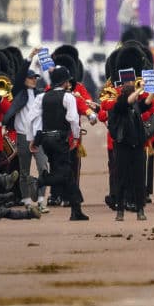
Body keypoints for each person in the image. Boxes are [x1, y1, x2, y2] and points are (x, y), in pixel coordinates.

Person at [30, 66, 88, 221]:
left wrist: (34, 140)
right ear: (64, 82)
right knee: (64, 173)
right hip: (60, 139)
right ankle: (41, 181)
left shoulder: (41, 97)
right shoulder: (68, 97)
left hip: (45, 140)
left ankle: (76, 210)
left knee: (68, 174)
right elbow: (73, 119)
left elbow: (34, 120)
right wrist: (75, 137)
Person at [107, 49, 154, 221]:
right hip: (123, 146)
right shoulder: (118, 105)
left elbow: (146, 104)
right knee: (122, 180)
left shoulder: (135, 106)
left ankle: (140, 209)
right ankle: (120, 210)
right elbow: (127, 102)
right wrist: (139, 91)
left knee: (139, 180)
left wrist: (152, 89)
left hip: (137, 146)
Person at [4, 66, 49, 212]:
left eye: (35, 78)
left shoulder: (40, 94)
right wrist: (30, 57)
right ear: (24, 79)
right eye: (31, 77)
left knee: (43, 167)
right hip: (22, 135)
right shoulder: (17, 93)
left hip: (38, 136)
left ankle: (42, 201)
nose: (34, 80)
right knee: (24, 170)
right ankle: (27, 201)